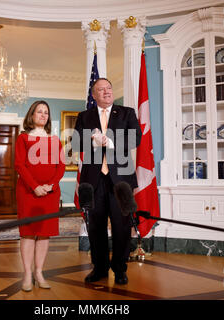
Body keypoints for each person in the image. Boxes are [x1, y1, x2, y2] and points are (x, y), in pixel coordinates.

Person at [71, 78, 142, 285]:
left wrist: (110, 141)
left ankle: (120, 269)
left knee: (121, 225)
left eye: (109, 88)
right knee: (96, 227)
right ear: (93, 95)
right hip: (94, 180)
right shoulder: (85, 116)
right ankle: (99, 268)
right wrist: (92, 140)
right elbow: (75, 142)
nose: (106, 92)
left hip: (120, 179)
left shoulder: (127, 112)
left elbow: (136, 138)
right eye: (101, 89)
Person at [15, 100, 65, 292]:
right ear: (32, 115)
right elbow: (20, 165)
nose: (43, 115)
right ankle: (27, 274)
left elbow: (60, 166)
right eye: (39, 112)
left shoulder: (54, 139)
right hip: (28, 192)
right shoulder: (23, 138)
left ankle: (39, 272)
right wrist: (35, 186)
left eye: (46, 112)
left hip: (50, 193)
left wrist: (50, 185)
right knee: (27, 233)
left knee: (44, 234)